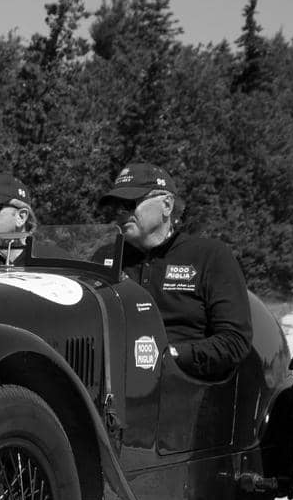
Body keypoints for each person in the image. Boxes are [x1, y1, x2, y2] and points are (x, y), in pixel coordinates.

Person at [98, 161, 252, 380]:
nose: (121, 213)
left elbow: (234, 341)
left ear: (167, 205)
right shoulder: (105, 257)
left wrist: (171, 355)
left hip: (184, 385)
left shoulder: (209, 256)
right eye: (115, 207)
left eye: (130, 203)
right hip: (109, 382)